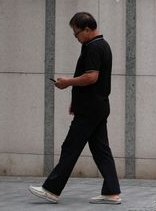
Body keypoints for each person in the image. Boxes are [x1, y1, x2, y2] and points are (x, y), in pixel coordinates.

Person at [29, 12, 122, 205]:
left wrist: (67, 82)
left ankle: (51, 190)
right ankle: (112, 193)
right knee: (101, 149)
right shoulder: (100, 45)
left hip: (90, 109)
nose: (76, 37)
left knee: (70, 147)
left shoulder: (93, 48)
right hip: (98, 106)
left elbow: (91, 77)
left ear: (87, 29)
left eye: (76, 33)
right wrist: (75, 101)